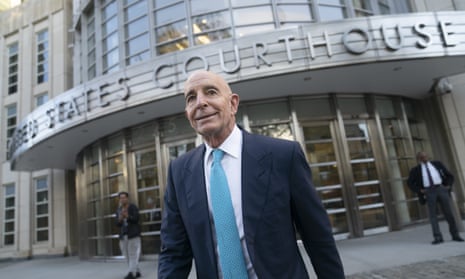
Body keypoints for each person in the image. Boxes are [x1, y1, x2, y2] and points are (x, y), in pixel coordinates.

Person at [158, 70, 344, 278]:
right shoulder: (179, 171)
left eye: (211, 92)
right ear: (188, 114)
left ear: (233, 104)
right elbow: (174, 252)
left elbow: (317, 236)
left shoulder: (283, 155)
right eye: (191, 98)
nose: (200, 102)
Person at [407, 151, 464, 245]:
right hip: (428, 192)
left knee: (449, 213)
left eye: (425, 156)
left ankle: (455, 235)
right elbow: (410, 183)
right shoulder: (415, 170)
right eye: (421, 157)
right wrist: (420, 190)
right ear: (418, 159)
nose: (424, 158)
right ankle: (437, 237)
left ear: (428, 156)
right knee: (433, 216)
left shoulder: (437, 164)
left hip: (441, 189)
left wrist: (448, 186)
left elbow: (449, 176)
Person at [116, 191, 142, 279]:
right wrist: (120, 219)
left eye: (124, 197)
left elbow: (136, 219)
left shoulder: (133, 207)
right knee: (126, 254)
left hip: (133, 234)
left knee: (132, 254)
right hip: (124, 235)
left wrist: (127, 216)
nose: (122, 199)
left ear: (127, 198)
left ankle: (131, 273)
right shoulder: (119, 209)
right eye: (121, 198)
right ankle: (136, 271)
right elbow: (117, 224)